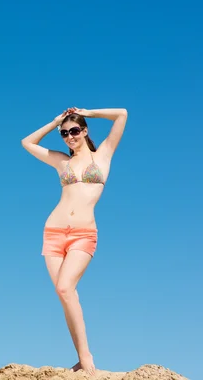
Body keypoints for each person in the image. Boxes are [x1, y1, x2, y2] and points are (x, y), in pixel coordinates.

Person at [20, 107, 128, 376]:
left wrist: (87, 112)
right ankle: (82, 357)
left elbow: (122, 114)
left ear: (85, 131)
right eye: (65, 133)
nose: (70, 136)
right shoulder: (61, 162)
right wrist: (55, 122)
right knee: (65, 294)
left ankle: (87, 357)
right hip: (54, 232)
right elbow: (27, 142)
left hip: (84, 234)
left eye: (75, 131)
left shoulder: (103, 154)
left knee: (66, 288)